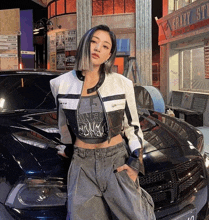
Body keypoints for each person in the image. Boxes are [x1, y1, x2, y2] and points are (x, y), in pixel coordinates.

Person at [50, 24, 155, 220]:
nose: (98, 48)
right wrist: (68, 149)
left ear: (109, 55)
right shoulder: (59, 84)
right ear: (84, 44)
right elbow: (64, 126)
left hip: (116, 161)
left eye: (106, 46)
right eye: (94, 42)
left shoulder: (121, 83)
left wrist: (135, 163)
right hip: (82, 166)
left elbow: (132, 127)